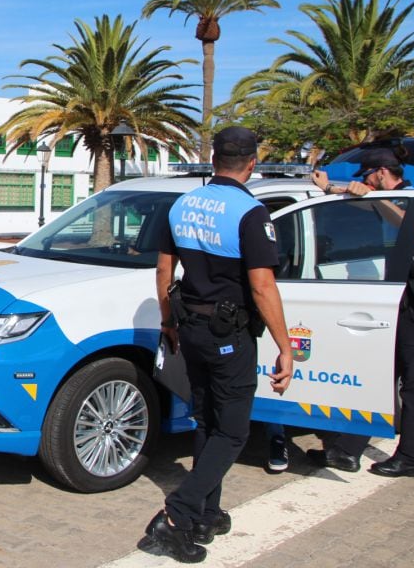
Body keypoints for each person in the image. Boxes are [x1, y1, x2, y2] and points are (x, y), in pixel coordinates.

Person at [140, 126, 294, 564]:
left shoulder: (182, 204)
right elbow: (263, 286)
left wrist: (167, 323)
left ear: (213, 160)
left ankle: (207, 512)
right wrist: (286, 347)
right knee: (233, 431)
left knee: (207, 420)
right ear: (252, 163)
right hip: (229, 336)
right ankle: (177, 516)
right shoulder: (250, 212)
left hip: (190, 329)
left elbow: (163, 272)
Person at [307, 147, 414, 477]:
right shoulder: (389, 196)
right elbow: (362, 196)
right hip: (398, 298)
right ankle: (347, 450)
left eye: (368, 176)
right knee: (379, 375)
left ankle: (410, 459)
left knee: (413, 383)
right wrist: (329, 188)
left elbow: (406, 221)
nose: (365, 180)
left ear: (382, 173)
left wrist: (372, 196)